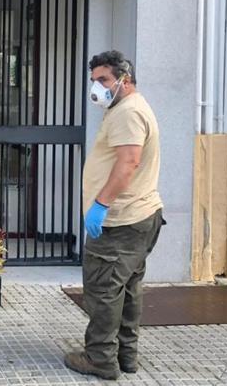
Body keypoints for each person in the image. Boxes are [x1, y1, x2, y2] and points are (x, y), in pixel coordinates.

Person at [64, 50, 165, 381]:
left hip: (120, 221)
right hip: (138, 217)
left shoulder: (128, 113)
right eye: (93, 81)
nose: (97, 88)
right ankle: (126, 355)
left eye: (104, 80)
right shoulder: (126, 108)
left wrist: (101, 204)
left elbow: (128, 162)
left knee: (103, 291)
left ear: (125, 79)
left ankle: (100, 359)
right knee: (127, 288)